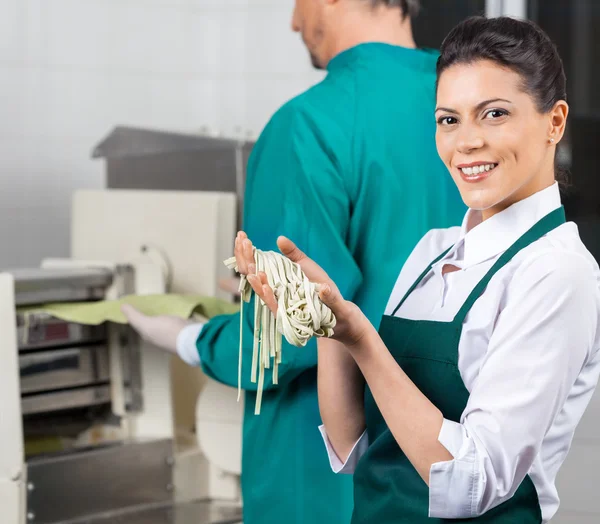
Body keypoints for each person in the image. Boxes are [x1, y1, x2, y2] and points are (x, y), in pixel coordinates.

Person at [235, 16, 600, 523]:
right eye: (448, 120)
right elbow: (360, 448)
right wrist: (325, 322)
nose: (465, 142)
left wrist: (363, 339)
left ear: (554, 123)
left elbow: (475, 482)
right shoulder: (433, 251)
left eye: (493, 114)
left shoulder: (557, 272)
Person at [122, 1, 465, 523]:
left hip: (328, 482)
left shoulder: (307, 126)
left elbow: (289, 333)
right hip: (448, 465)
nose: (292, 22)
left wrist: (190, 338)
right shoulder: (476, 106)